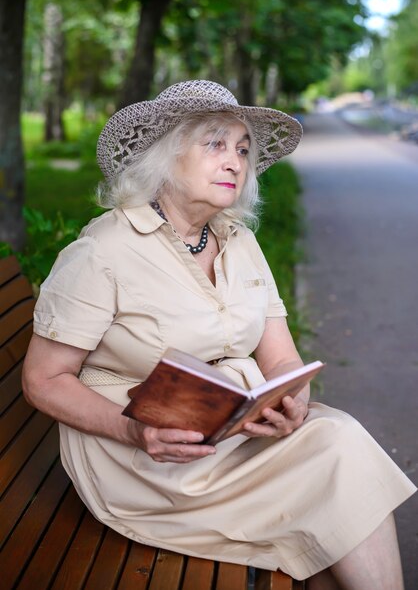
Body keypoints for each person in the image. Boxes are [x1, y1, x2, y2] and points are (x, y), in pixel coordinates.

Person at [22, 80, 416, 589]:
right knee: (338, 450)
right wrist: (133, 431)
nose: (235, 162)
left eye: (243, 150)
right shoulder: (103, 252)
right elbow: (43, 379)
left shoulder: (240, 240)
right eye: (215, 145)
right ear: (165, 156)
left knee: (332, 451)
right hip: (143, 463)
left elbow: (281, 362)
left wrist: (291, 399)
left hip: (233, 440)